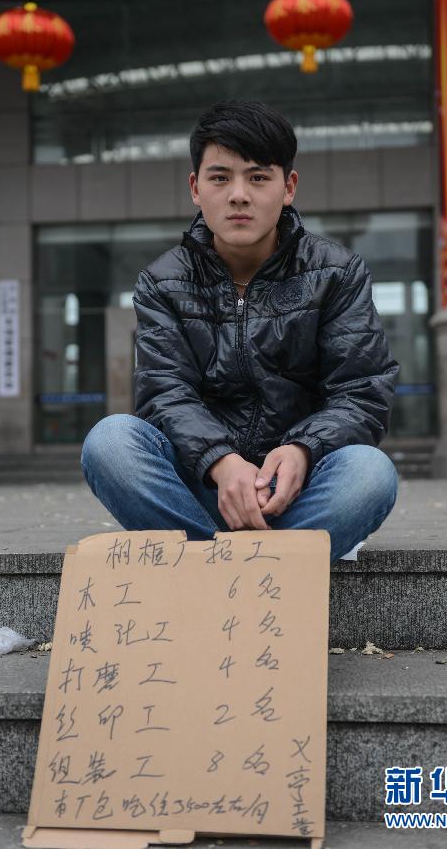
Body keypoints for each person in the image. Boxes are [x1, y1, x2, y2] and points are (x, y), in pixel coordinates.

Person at [81, 100, 400, 563]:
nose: (238, 195)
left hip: (296, 491)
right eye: (219, 177)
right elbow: (165, 393)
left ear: (287, 187)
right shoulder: (162, 282)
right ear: (195, 187)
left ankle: (209, 565)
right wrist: (221, 461)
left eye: (257, 177)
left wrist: (303, 450)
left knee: (371, 473)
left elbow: (361, 391)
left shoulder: (337, 273)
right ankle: (263, 568)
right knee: (109, 442)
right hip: (201, 488)